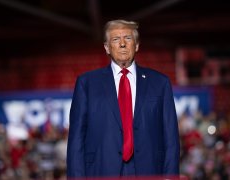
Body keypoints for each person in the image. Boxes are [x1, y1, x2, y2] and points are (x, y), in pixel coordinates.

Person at [67, 19, 180, 178]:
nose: (122, 44)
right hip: (101, 170)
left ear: (137, 45)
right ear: (107, 47)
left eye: (127, 38)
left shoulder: (160, 83)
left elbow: (171, 138)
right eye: (115, 39)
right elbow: (76, 138)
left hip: (149, 170)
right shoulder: (87, 83)